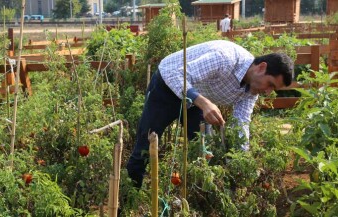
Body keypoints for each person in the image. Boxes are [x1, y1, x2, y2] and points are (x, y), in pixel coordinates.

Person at [126, 40, 294, 189]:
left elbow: (241, 123)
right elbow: (177, 74)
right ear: (262, 67)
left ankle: (198, 202)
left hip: (196, 97)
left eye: (273, 89)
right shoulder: (224, 58)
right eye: (270, 84)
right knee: (145, 148)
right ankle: (126, 204)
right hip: (166, 87)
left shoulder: (252, 91)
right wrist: (204, 103)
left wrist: (240, 160)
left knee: (207, 153)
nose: (268, 91)